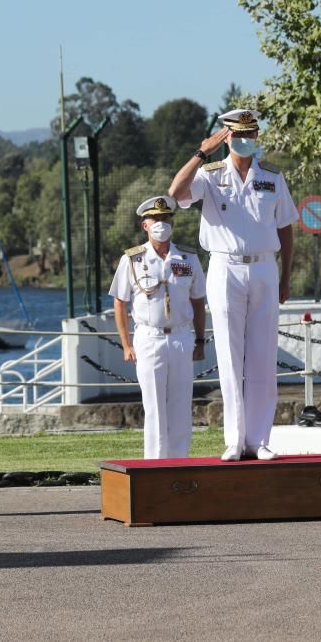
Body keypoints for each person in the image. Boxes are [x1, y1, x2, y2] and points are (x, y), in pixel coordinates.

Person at [169, 109, 298, 461]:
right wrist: (201, 152)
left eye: (251, 134)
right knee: (228, 355)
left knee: (263, 355)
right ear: (226, 137)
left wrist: (286, 275)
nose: (246, 140)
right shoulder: (209, 176)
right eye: (239, 134)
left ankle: (260, 440)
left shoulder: (271, 176)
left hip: (263, 269)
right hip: (225, 267)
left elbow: (285, 227)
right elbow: (175, 192)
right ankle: (235, 439)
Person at [109, 196, 207, 459]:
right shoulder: (132, 260)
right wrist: (126, 344)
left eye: (166, 219)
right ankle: (155, 463)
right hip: (149, 338)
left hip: (180, 337)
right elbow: (120, 302)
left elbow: (198, 302)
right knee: (153, 405)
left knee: (180, 403)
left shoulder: (187, 258)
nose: (161, 224)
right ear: (145, 225)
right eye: (156, 219)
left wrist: (200, 341)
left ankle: (179, 460)